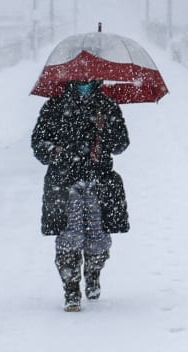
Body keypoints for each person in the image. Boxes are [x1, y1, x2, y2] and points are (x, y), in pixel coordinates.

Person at [31, 78, 130, 311]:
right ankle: (71, 289)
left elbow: (121, 144)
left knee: (98, 237)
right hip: (65, 183)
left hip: (99, 181)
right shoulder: (54, 106)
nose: (84, 83)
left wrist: (105, 127)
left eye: (88, 79)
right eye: (79, 79)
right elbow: (38, 143)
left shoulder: (107, 105)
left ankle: (93, 273)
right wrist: (53, 150)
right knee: (69, 237)